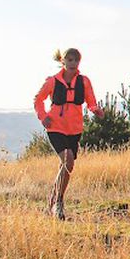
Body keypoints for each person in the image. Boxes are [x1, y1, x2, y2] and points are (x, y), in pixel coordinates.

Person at [33, 48, 104, 220]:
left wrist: (96, 110)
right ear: (63, 61)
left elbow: (91, 101)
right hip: (55, 126)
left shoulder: (84, 81)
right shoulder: (52, 81)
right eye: (70, 60)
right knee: (67, 159)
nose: (73, 63)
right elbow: (38, 100)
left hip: (75, 128)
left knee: (67, 166)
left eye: (76, 60)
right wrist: (43, 117)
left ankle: (52, 201)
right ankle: (58, 202)